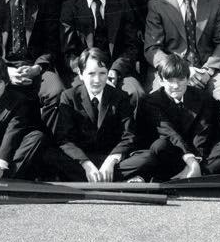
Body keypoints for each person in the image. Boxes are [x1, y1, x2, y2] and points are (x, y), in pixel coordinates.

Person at [49, 48, 150, 182]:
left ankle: (96, 178)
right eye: (91, 74)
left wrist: (111, 161)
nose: (97, 80)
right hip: (82, 159)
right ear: (80, 74)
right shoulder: (69, 96)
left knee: (147, 157)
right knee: (50, 155)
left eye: (102, 73)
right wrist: (85, 163)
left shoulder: (120, 97)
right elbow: (64, 138)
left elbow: (128, 136)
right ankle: (112, 180)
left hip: (110, 158)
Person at [133, 56, 220, 180]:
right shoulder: (151, 101)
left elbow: (202, 134)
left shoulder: (202, 97)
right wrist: (189, 159)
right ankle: (191, 175)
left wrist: (197, 161)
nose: (175, 86)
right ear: (161, 81)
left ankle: (194, 175)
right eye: (170, 80)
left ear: (188, 79)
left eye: (180, 79)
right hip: (174, 155)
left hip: (199, 156)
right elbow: (169, 133)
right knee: (159, 145)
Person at [59, 0, 145, 103]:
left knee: (136, 94)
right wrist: (88, 72)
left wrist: (116, 70)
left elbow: (131, 46)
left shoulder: (122, 4)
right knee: (78, 98)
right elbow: (68, 52)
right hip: (84, 72)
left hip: (118, 70)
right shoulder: (70, 8)